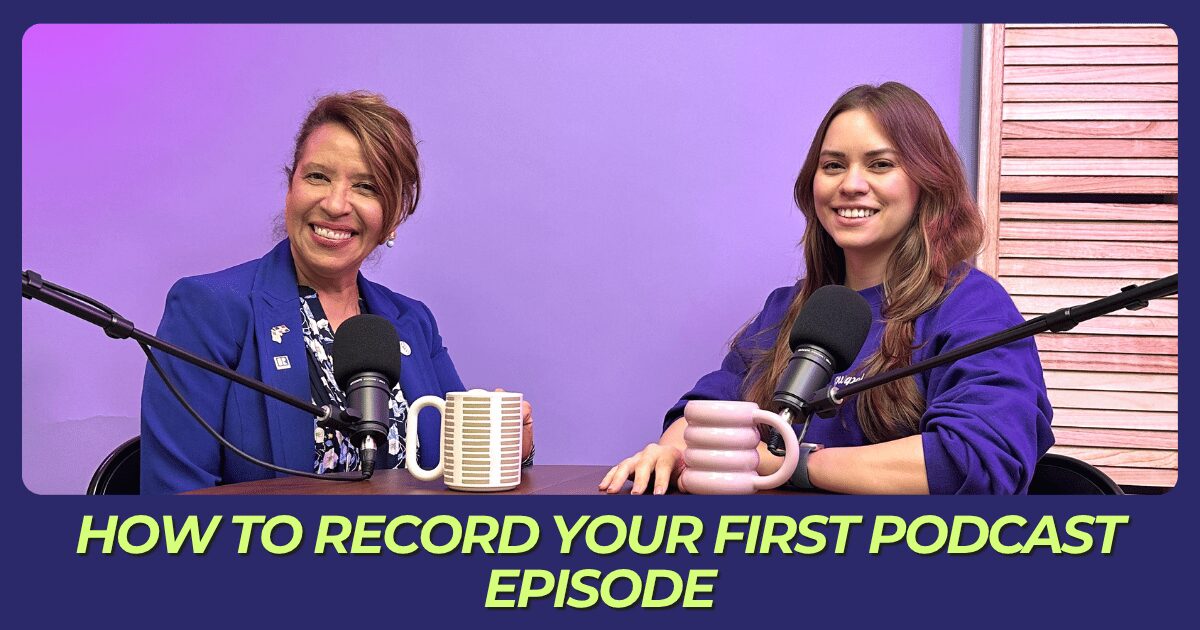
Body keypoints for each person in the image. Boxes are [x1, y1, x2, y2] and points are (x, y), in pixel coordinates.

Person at [600, 82, 1053, 495]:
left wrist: (794, 464)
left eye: (880, 164)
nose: (851, 185)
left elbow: (973, 460)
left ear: (927, 182)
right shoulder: (789, 309)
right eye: (833, 165)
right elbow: (709, 410)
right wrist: (671, 451)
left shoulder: (970, 306)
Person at [141, 91, 534, 494]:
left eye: (365, 186)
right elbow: (174, 503)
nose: (335, 204)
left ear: (393, 217)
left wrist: (512, 447)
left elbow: (461, 469)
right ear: (290, 188)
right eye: (317, 177)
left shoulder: (414, 323)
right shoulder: (208, 309)